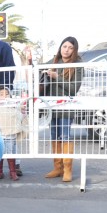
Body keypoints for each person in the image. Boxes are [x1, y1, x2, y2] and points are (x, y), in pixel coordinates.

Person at [41, 36, 84, 182]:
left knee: (65, 136)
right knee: (54, 136)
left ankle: (67, 169)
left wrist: (56, 76)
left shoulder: (78, 65)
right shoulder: (54, 61)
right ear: (60, 47)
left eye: (70, 48)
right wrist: (29, 60)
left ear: (74, 50)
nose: (66, 50)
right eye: (64, 46)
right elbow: (38, 68)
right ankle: (57, 168)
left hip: (66, 107)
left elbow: (73, 89)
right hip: (51, 107)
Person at [0, 88, 25, 180]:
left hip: (10, 134)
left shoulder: (14, 107)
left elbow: (20, 118)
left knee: (11, 153)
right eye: (1, 94)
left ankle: (13, 172)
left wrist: (22, 111)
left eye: (7, 94)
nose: (5, 96)